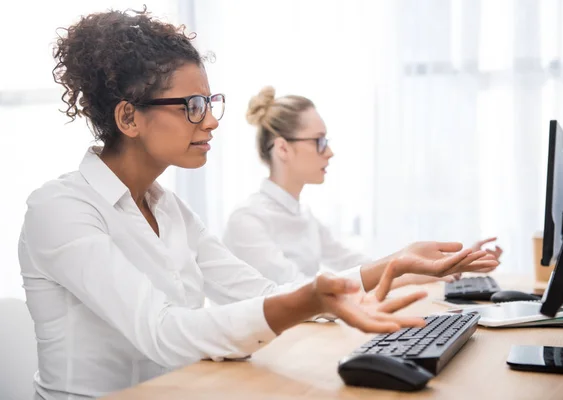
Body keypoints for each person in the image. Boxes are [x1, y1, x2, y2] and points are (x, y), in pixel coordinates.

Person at [17, 9, 498, 399]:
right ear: (129, 117)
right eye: (192, 107)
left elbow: (260, 291)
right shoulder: (59, 211)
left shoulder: (169, 210)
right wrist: (316, 297)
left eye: (210, 103)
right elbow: (162, 331)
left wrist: (394, 263)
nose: (211, 123)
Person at [223, 87, 503, 287]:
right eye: (319, 141)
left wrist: (446, 265)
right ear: (283, 148)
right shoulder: (248, 220)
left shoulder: (304, 217)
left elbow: (361, 266)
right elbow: (301, 292)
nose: (329, 152)